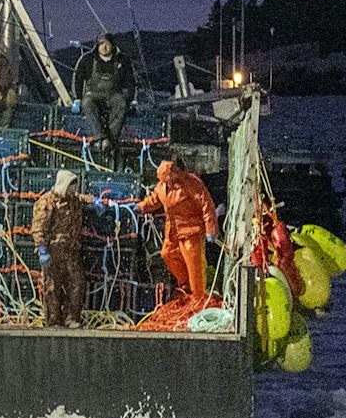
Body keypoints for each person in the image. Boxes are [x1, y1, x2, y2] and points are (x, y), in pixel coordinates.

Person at [137, 156, 218, 303]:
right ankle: (186, 286)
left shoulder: (191, 184)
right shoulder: (162, 186)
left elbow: (207, 205)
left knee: (194, 266)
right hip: (173, 231)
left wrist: (210, 229)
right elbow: (155, 199)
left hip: (191, 231)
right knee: (167, 254)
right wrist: (140, 207)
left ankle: (198, 300)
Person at [30, 168, 87, 328]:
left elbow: (84, 200)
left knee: (76, 283)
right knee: (52, 287)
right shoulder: (46, 202)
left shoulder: (74, 201)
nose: (74, 190)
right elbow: (39, 227)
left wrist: (99, 203)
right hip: (53, 252)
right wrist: (42, 249)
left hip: (71, 251)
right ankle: (54, 321)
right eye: (71, 186)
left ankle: (72, 318)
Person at [70, 32, 137, 165]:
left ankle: (110, 140)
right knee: (87, 102)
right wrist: (77, 98)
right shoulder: (87, 59)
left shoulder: (123, 60)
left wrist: (131, 99)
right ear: (97, 46)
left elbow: (130, 82)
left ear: (112, 45)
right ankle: (100, 139)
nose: (104, 47)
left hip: (113, 94)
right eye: (101, 44)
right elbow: (77, 79)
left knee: (121, 104)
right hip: (94, 94)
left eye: (107, 44)